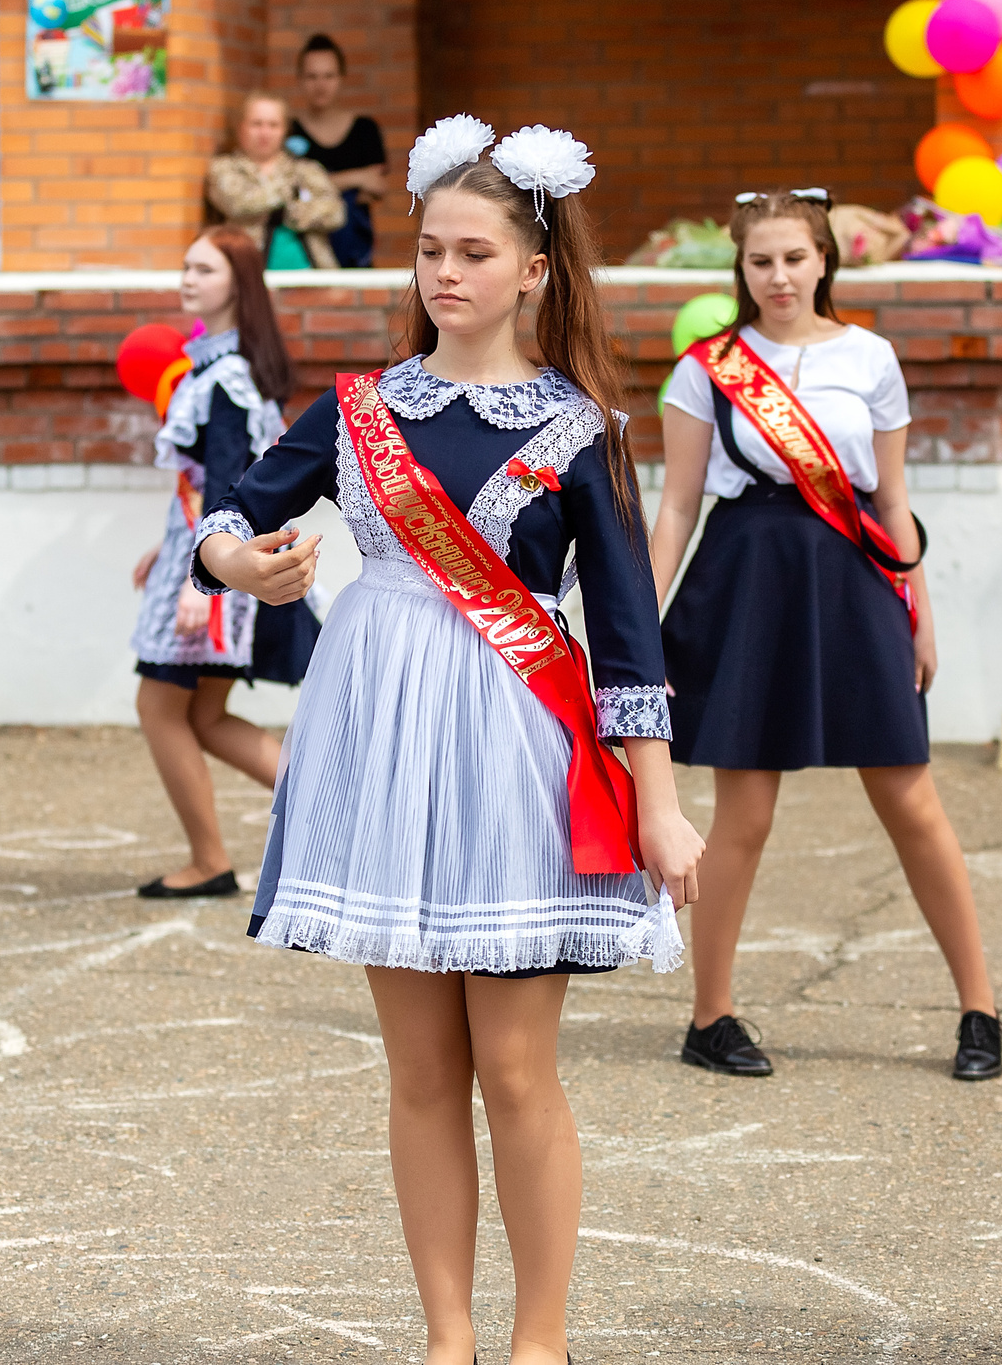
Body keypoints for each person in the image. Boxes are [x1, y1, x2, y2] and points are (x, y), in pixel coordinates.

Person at [196, 117, 705, 1365]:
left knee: (517, 1073)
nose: (445, 274)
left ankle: (541, 1340)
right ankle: (447, 1337)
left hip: (514, 741)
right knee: (420, 1075)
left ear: (534, 269)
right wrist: (240, 568)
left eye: (475, 253)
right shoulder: (360, 408)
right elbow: (233, 512)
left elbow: (628, 634)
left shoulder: (582, 428)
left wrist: (659, 799)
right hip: (379, 734)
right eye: (431, 250)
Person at [651, 188, 1001, 1083]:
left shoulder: (872, 357)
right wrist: (637, 629)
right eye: (760, 260)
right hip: (746, 581)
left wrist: (917, 607)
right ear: (740, 266)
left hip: (854, 582)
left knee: (911, 797)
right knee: (747, 813)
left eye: (795, 258)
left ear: (823, 262)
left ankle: (980, 1008)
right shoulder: (707, 368)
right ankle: (710, 1014)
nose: (778, 276)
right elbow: (679, 507)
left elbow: (890, 499)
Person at [130, 226, 322, 898]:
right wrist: (168, 549)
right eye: (184, 265)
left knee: (159, 706)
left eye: (204, 269)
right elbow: (221, 484)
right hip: (216, 563)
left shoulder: (227, 377)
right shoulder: (221, 368)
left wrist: (196, 580)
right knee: (200, 716)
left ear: (238, 283)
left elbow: (225, 487)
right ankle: (335, 801)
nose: (187, 278)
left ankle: (210, 859)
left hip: (220, 573)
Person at [205, 90, 344, 271]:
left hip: (313, 274)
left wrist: (290, 214)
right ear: (241, 128)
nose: (265, 133)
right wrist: (289, 193)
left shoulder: (306, 169)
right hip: (247, 275)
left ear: (285, 130)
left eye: (273, 125)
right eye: (256, 124)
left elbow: (335, 213)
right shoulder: (224, 168)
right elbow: (237, 203)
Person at [286, 33, 389, 269]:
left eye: (328, 76)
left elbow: (377, 187)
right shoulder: (289, 131)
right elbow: (290, 188)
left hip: (355, 248)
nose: (320, 85)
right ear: (300, 80)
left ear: (341, 78)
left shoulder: (364, 129)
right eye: (312, 76)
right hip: (305, 249)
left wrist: (318, 187)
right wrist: (357, 178)